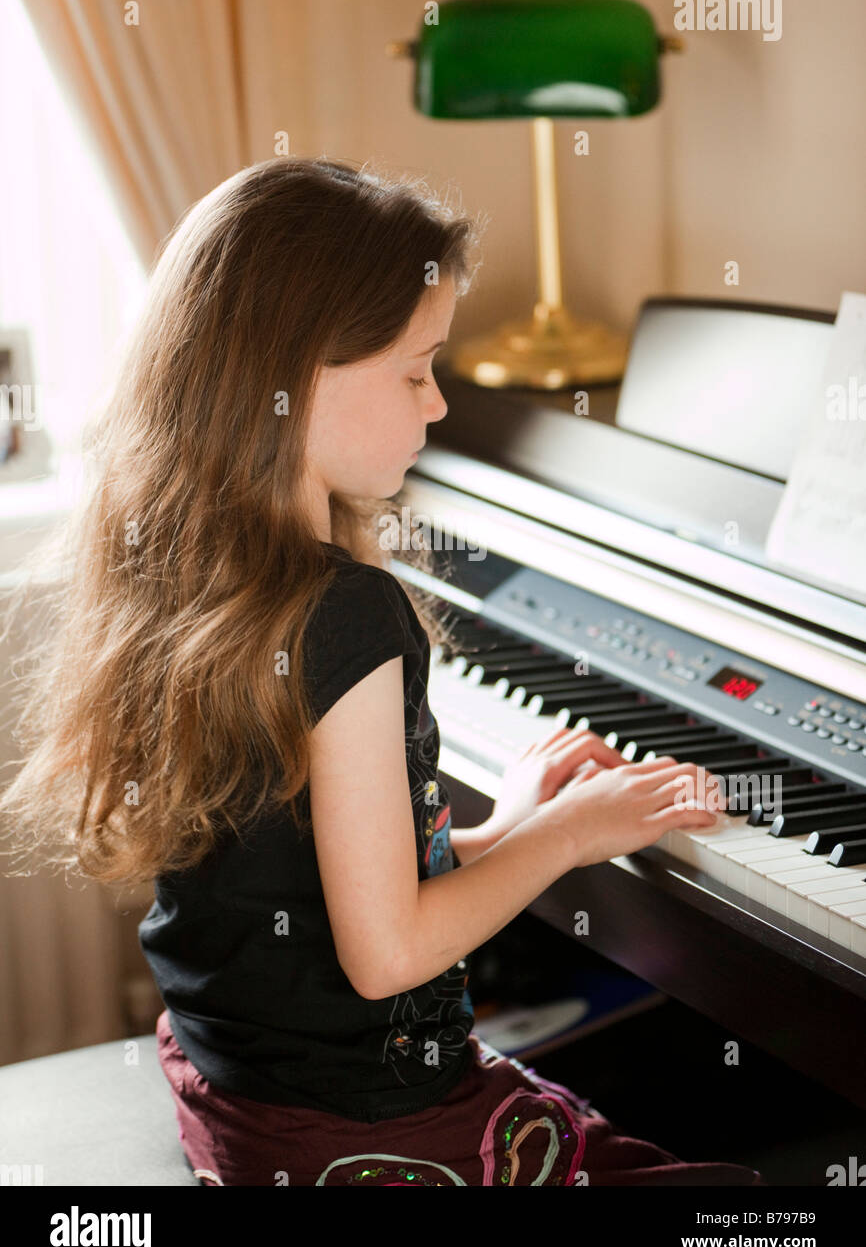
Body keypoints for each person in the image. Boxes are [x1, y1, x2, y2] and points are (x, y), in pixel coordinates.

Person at [0, 156, 763, 1187]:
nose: (439, 405)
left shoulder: (190, 578)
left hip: (240, 1106)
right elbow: (386, 955)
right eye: (415, 371)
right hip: (361, 1135)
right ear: (299, 370)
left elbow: (308, 892)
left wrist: (498, 829)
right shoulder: (342, 612)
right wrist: (569, 831)